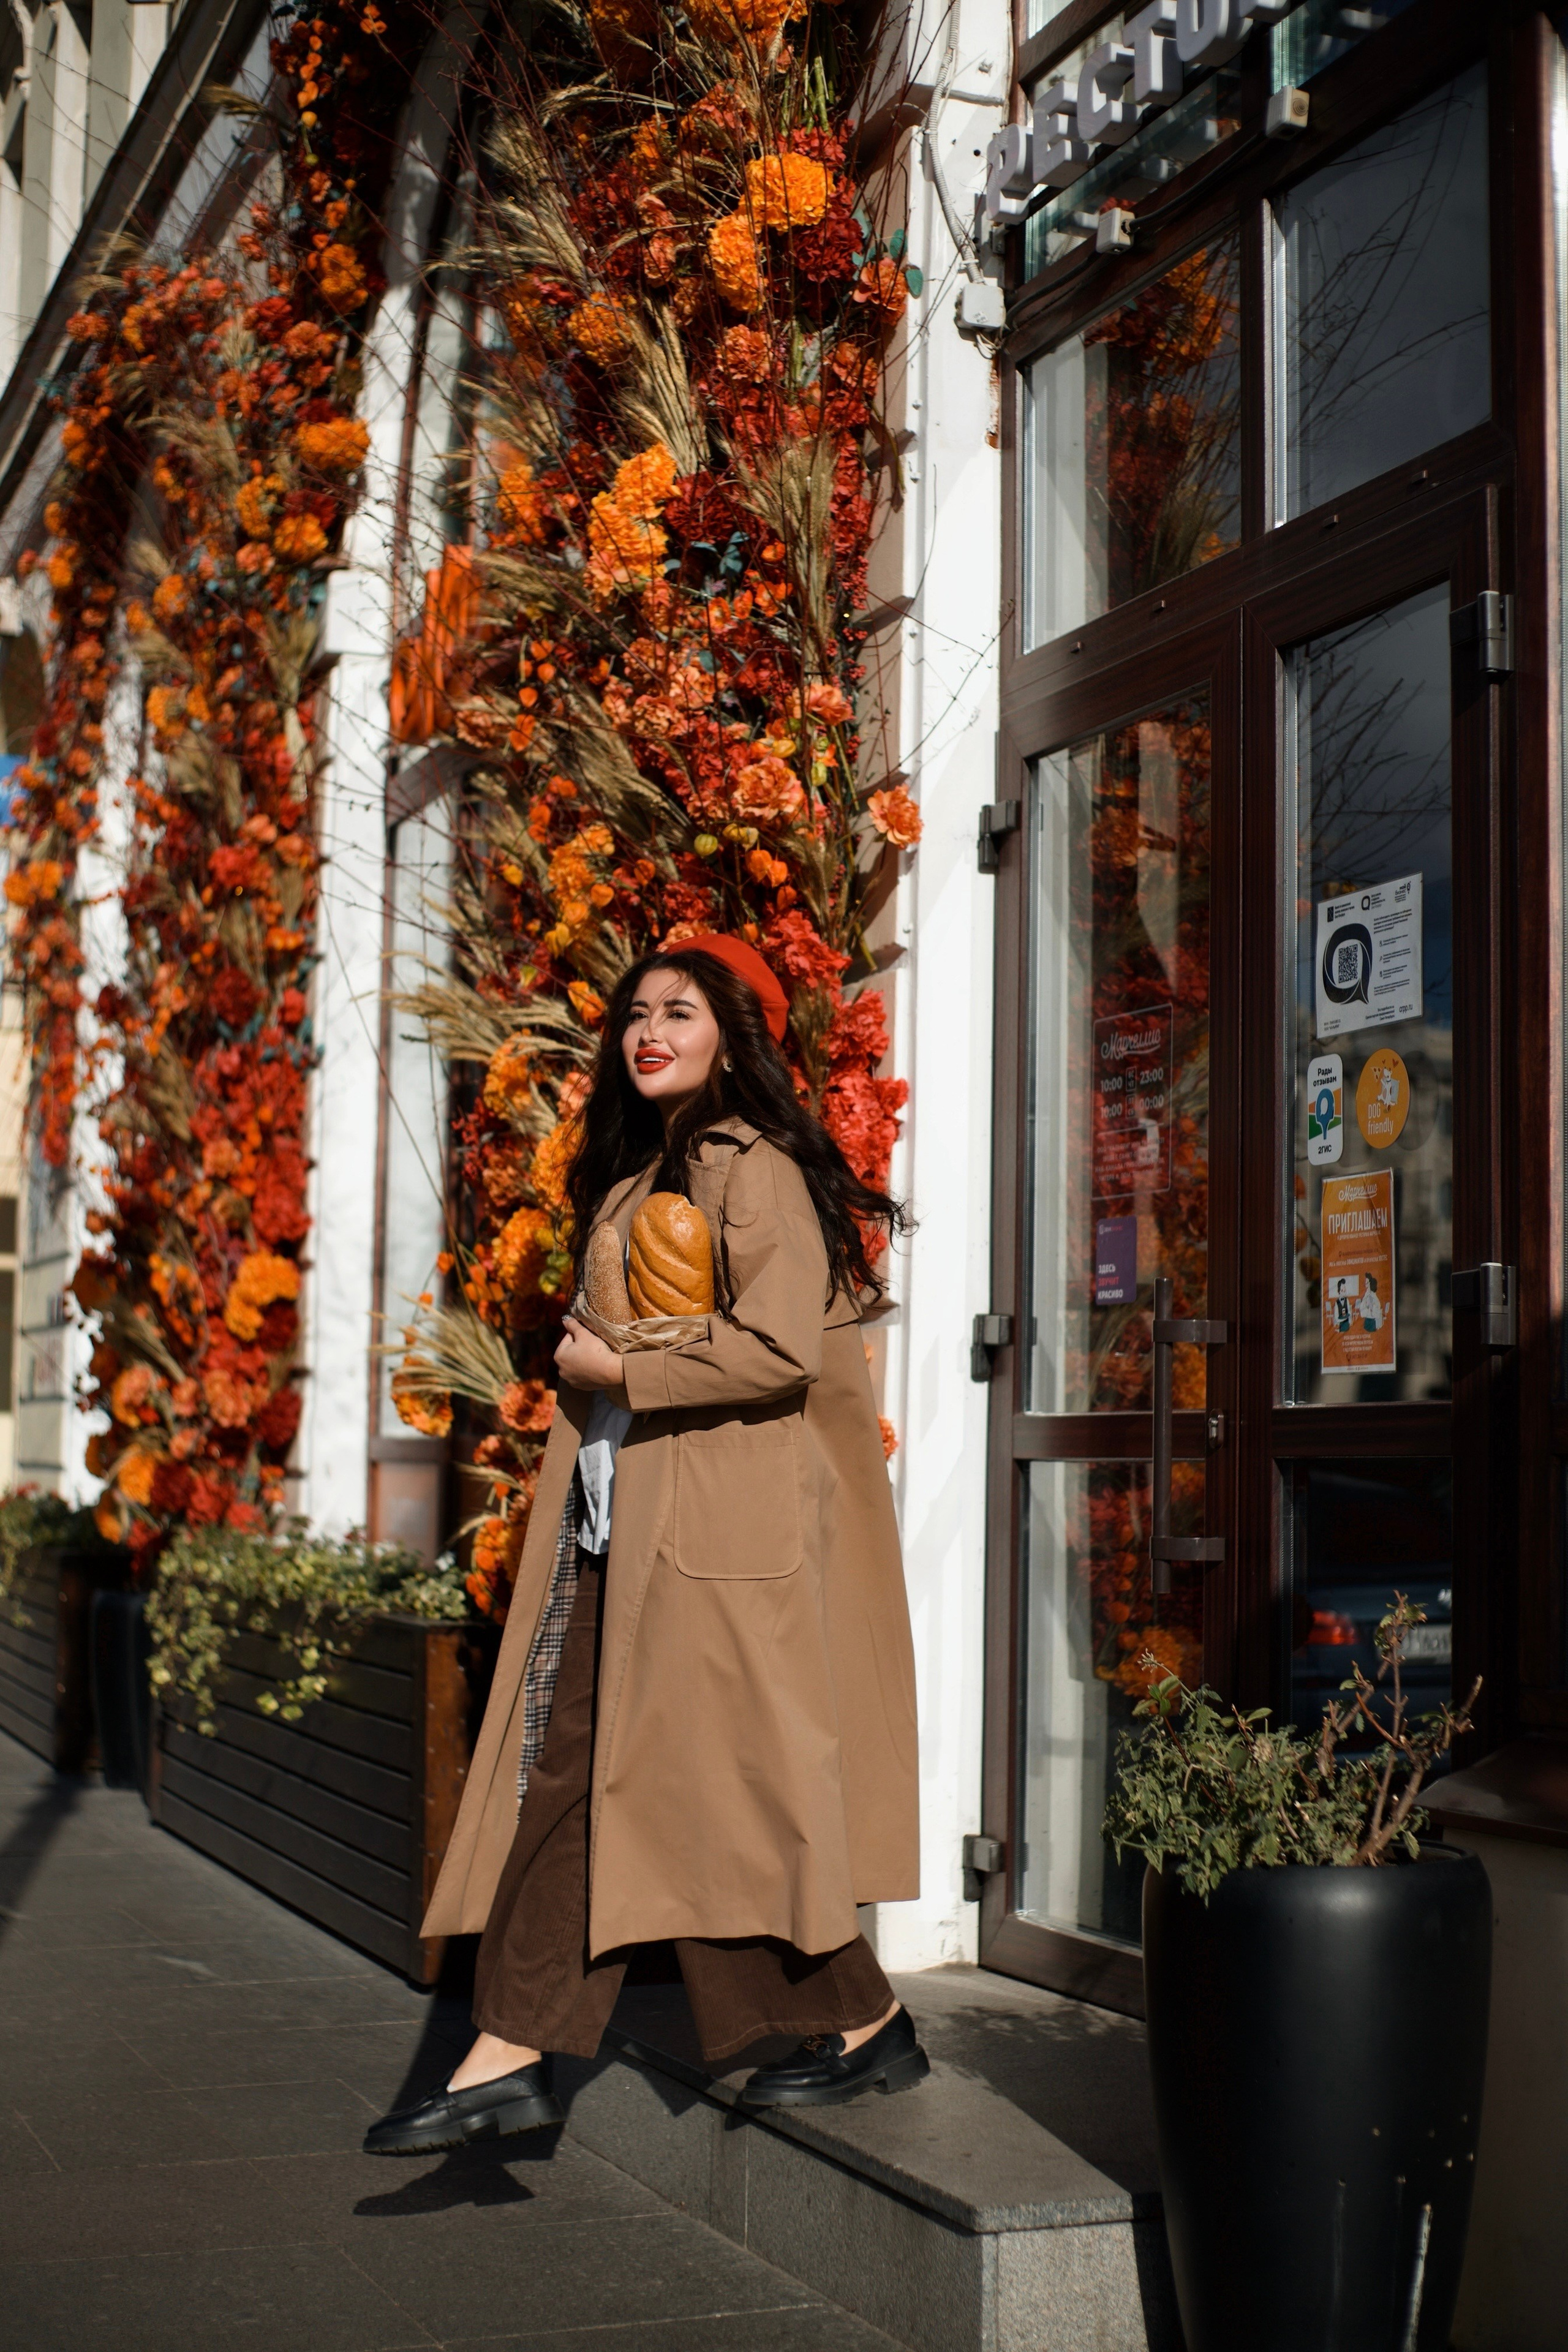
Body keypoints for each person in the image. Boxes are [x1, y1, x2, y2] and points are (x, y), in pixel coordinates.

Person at [364, 936, 925, 2155]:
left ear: (733, 1031)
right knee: (599, 1786)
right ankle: (840, 2023)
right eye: (633, 1014)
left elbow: (778, 1350)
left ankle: (507, 2055)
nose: (647, 1029)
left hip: (713, 1540)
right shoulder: (640, 1176)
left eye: (679, 1009)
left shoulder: (748, 1164)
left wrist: (620, 1365)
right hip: (631, 1529)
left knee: (649, 1793)